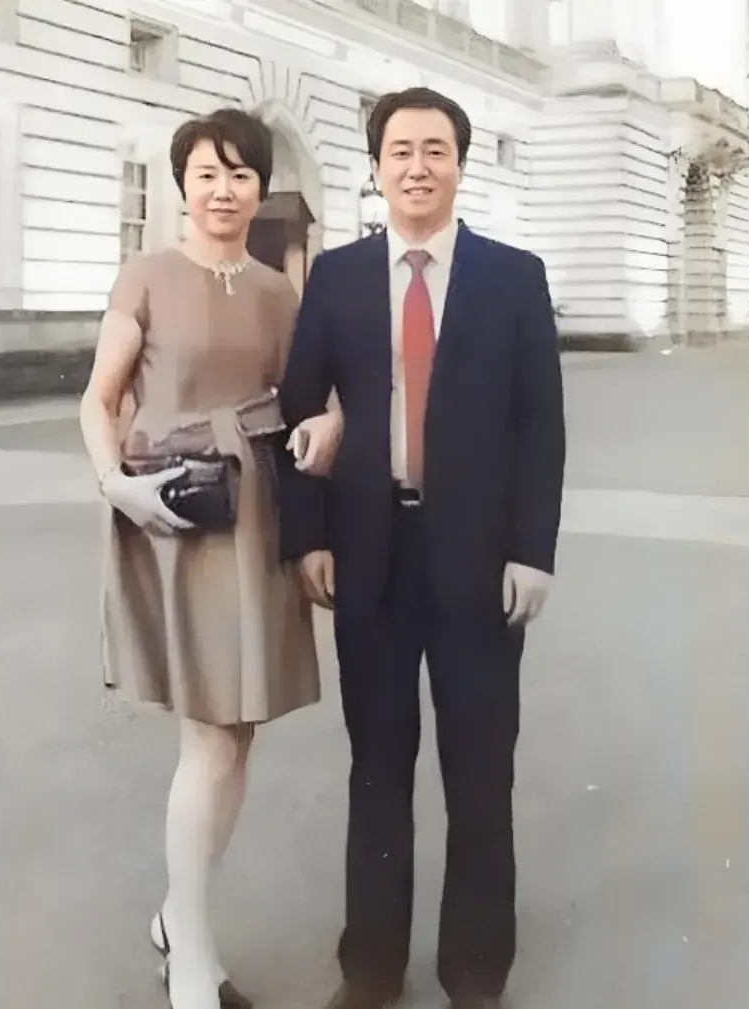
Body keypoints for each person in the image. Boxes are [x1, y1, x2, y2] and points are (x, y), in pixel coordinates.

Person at [278, 88, 566, 1009]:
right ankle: (369, 969)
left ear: (458, 165)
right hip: (369, 557)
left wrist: (532, 550)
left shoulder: (512, 278)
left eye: (434, 149)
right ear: (375, 168)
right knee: (376, 771)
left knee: (480, 774)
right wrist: (308, 536)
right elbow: (296, 408)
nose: (416, 166)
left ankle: (475, 971)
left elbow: (540, 426)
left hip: (480, 564)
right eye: (399, 150)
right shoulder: (337, 278)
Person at [79, 108, 342, 1009]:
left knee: (240, 733)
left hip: (258, 513)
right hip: (176, 513)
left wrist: (330, 426)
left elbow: (308, 400)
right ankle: (191, 956)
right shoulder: (146, 276)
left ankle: (174, 918)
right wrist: (115, 485)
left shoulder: (278, 292)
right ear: (182, 184)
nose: (223, 190)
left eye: (239, 174)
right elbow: (99, 398)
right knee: (210, 734)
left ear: (260, 187)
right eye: (206, 173)